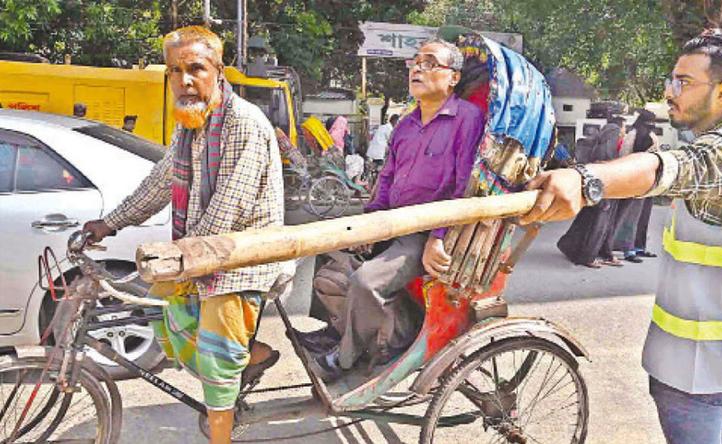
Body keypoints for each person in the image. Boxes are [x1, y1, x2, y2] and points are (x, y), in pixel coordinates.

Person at [521, 28, 722, 443]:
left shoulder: (719, 152)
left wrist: (585, 178)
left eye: (683, 82)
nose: (670, 91)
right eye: (672, 79)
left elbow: (663, 168)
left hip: (699, 370)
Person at [82, 26, 285, 444]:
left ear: (219, 71)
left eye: (196, 68)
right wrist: (111, 222)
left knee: (215, 354)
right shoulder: (189, 122)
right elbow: (159, 183)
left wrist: (182, 261)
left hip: (243, 260)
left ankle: (222, 430)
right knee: (163, 315)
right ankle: (248, 359)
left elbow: (229, 208)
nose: (185, 80)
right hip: (203, 254)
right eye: (175, 71)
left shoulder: (243, 123)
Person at [303, 39, 485, 382]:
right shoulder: (405, 123)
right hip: (391, 223)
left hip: (424, 231)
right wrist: (367, 223)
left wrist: (438, 237)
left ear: (453, 78)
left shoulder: (467, 118)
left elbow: (463, 185)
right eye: (415, 62)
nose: (417, 68)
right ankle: (337, 330)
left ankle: (347, 357)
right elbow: (387, 177)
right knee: (325, 250)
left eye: (430, 63)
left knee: (365, 282)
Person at [556, 117, 626, 268]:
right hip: (605, 184)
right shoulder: (613, 131)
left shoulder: (607, 133)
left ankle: (580, 248)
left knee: (595, 220)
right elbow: (606, 156)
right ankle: (587, 256)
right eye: (624, 127)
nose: (624, 131)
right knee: (598, 222)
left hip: (604, 184)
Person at [613, 110, 659, 263]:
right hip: (634, 181)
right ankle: (628, 249)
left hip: (647, 182)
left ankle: (639, 247)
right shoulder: (632, 136)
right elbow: (624, 157)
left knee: (643, 217)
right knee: (630, 217)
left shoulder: (650, 136)